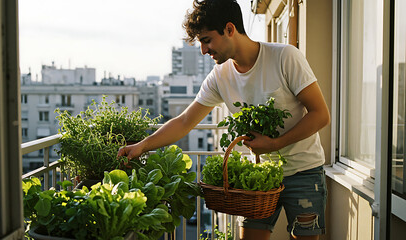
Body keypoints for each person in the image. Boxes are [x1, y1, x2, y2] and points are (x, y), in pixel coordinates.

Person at [118, 0, 330, 239]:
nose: (203, 50)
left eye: (206, 40)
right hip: (258, 177)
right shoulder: (220, 76)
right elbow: (186, 120)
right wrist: (143, 146)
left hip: (303, 172)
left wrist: (274, 144)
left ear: (230, 29)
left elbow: (320, 114)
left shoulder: (284, 57)